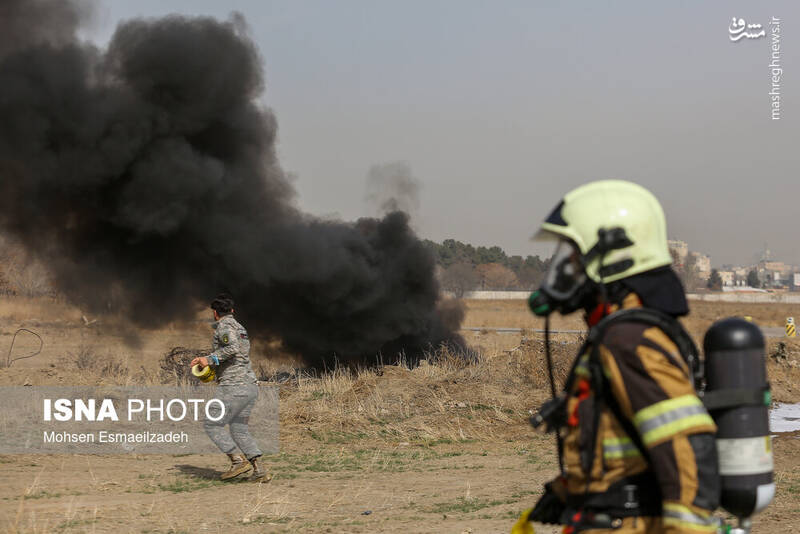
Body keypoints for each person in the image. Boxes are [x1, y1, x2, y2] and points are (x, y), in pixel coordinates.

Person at [512, 180, 719, 533]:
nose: (566, 268)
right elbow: (614, 440)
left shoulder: (629, 341)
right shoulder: (616, 334)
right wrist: (567, 493)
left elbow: (687, 447)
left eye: (574, 255)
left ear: (613, 256)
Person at [191, 293, 270, 482]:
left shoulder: (225, 327)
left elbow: (231, 348)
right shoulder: (240, 327)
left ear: (215, 313)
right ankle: (259, 470)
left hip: (233, 387)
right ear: (232, 310)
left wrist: (208, 360)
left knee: (211, 424)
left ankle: (237, 461)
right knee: (238, 428)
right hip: (250, 387)